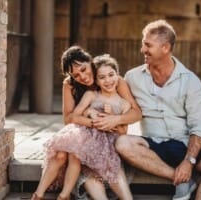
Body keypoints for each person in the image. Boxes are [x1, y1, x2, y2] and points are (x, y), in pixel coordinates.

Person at [115, 19, 201, 200]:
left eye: (148, 45)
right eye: (143, 44)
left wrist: (189, 161)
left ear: (166, 48)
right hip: (153, 144)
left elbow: (198, 126)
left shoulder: (190, 81)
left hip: (185, 143)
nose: (142, 50)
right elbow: (115, 101)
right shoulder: (132, 77)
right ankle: (181, 180)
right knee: (122, 143)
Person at [31, 46, 141, 200]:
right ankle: (39, 195)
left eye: (83, 69)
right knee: (62, 152)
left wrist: (114, 120)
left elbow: (136, 113)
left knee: (80, 155)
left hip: (106, 140)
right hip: (83, 136)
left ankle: (63, 194)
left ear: (90, 61)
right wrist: (93, 121)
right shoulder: (69, 85)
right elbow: (68, 119)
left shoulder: (111, 79)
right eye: (76, 75)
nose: (82, 76)